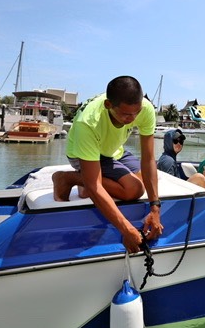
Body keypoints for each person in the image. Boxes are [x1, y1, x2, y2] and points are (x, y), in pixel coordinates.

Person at [52, 76, 162, 253]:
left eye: (137, 112)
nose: (133, 118)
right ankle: (68, 178)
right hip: (84, 153)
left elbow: (149, 159)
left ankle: (87, 185)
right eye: (126, 114)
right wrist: (126, 229)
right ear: (108, 105)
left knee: (146, 180)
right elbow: (95, 186)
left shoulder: (145, 109)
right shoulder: (87, 122)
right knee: (133, 189)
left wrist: (155, 208)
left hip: (115, 151)